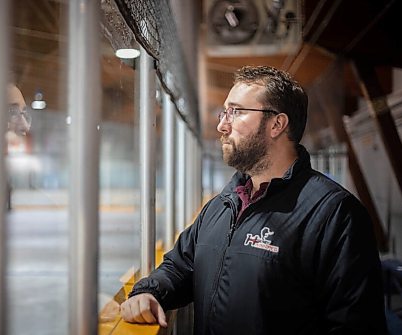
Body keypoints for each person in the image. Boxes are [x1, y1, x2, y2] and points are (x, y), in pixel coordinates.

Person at [120, 65, 388, 334]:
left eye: (236, 112)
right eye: (224, 112)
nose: (222, 125)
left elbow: (356, 324)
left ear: (277, 124)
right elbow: (180, 267)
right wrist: (148, 292)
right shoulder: (224, 203)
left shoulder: (334, 213)